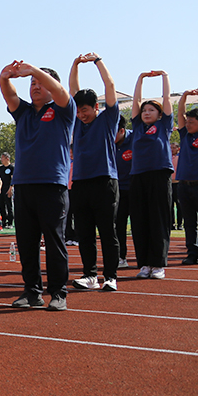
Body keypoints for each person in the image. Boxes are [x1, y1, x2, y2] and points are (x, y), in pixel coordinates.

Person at [0, 61, 74, 311]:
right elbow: (9, 93)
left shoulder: (64, 109)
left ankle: (58, 292)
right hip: (24, 186)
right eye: (32, 83)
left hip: (52, 185)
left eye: (40, 83)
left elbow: (62, 92)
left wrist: (34, 71)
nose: (35, 86)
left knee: (55, 242)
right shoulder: (23, 112)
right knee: (26, 243)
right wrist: (4, 77)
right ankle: (32, 291)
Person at [68, 52, 121, 292]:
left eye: (86, 110)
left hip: (105, 181)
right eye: (79, 110)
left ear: (96, 107)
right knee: (85, 233)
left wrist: (97, 62)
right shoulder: (77, 121)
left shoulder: (108, 119)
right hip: (80, 183)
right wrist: (75, 64)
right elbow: (73, 90)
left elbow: (110, 85)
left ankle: (110, 276)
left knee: (108, 232)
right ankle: (90, 275)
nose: (81, 114)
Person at [130, 71, 174, 279]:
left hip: (159, 175)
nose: (147, 113)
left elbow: (166, 99)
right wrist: (140, 79)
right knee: (140, 220)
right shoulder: (137, 126)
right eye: (144, 110)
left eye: (151, 110)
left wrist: (164, 76)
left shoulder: (163, 126)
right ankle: (145, 264)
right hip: (138, 176)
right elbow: (136, 100)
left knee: (158, 219)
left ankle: (158, 264)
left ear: (159, 114)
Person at [175, 89, 198, 266]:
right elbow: (180, 112)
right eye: (187, 121)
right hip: (184, 185)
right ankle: (192, 253)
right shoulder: (184, 135)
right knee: (189, 223)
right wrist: (184, 96)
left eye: (192, 121)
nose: (188, 124)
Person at [114, 116, 133, 269]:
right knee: (119, 225)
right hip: (117, 190)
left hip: (136, 189)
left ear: (122, 130)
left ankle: (145, 259)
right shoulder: (107, 142)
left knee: (140, 224)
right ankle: (121, 257)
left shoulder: (135, 138)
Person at [0, 153, 14, 228]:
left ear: (7, 158)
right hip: (1, 189)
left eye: (2, 158)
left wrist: (10, 189)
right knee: (1, 205)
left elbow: (13, 179)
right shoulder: (0, 169)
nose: (1, 160)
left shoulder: (12, 168)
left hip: (8, 189)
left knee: (9, 205)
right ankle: (4, 221)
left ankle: (10, 222)